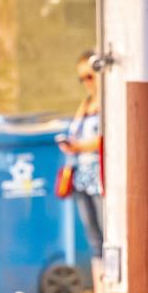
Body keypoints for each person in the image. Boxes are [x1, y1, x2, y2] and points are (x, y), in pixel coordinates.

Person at [60, 50, 104, 267]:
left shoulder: (106, 104)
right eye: (82, 79)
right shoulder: (85, 104)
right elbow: (75, 133)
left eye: (90, 76)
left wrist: (78, 146)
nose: (87, 83)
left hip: (99, 178)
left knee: (106, 235)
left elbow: (105, 139)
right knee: (94, 238)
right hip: (81, 177)